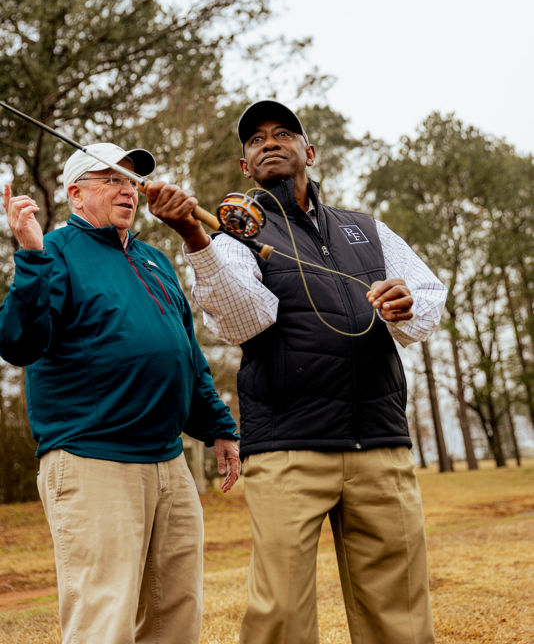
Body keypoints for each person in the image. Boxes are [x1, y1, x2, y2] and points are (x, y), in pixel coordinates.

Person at [147, 100, 448, 644]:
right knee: (280, 617)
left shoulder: (366, 229)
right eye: (256, 140)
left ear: (308, 151)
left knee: (400, 615)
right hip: (288, 448)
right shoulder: (231, 238)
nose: (269, 143)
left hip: (380, 445)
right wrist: (196, 239)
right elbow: (244, 321)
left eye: (283, 133)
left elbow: (428, 299)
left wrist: (407, 304)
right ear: (245, 167)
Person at [0, 142, 240, 644]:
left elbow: (186, 353)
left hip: (168, 464)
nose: (127, 189)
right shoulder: (54, 251)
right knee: (104, 619)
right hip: (93, 459)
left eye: (130, 181)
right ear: (75, 194)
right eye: (110, 179)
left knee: (176, 613)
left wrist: (218, 426)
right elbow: (19, 342)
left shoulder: (154, 260)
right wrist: (29, 253)